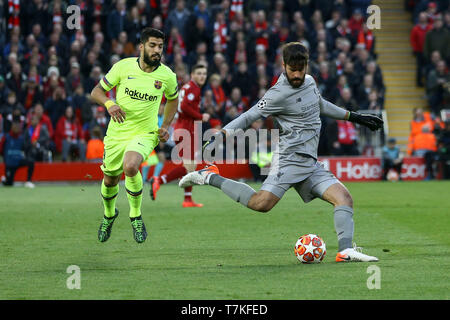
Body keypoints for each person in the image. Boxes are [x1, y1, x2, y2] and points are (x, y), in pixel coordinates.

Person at [180, 42, 384, 262]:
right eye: (291, 69)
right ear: (283, 65)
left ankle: (345, 251)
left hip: (310, 164)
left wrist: (355, 117)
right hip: (288, 161)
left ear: (307, 65)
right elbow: (249, 116)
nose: (296, 74)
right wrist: (222, 134)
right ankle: (210, 176)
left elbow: (320, 104)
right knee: (261, 204)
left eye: (301, 69)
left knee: (344, 198)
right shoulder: (277, 94)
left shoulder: (309, 82)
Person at [90, 27, 179, 244]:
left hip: (145, 132)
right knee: (110, 179)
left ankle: (135, 215)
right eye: (152, 45)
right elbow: (96, 92)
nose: (157, 50)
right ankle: (109, 215)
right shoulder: (123, 67)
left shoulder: (167, 76)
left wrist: (166, 125)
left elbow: (173, 100)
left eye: (160, 46)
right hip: (117, 133)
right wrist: (110, 104)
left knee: (131, 166)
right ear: (141, 47)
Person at [149, 64, 210, 207]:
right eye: (199, 73)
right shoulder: (193, 88)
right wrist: (201, 116)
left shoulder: (187, 87)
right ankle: (159, 180)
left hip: (183, 129)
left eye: (204, 73)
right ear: (193, 75)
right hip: (187, 131)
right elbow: (183, 107)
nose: (202, 76)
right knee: (189, 167)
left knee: (192, 166)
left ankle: (188, 199)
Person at [0, 120, 35, 188]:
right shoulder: (6, 137)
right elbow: (1, 149)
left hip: (18, 160)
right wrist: (5, 159)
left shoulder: (21, 138)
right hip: (10, 163)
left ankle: (28, 181)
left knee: (30, 162)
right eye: (15, 127)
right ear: (11, 127)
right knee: (9, 184)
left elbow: (25, 148)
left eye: (18, 127)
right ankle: (4, 179)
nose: (16, 128)